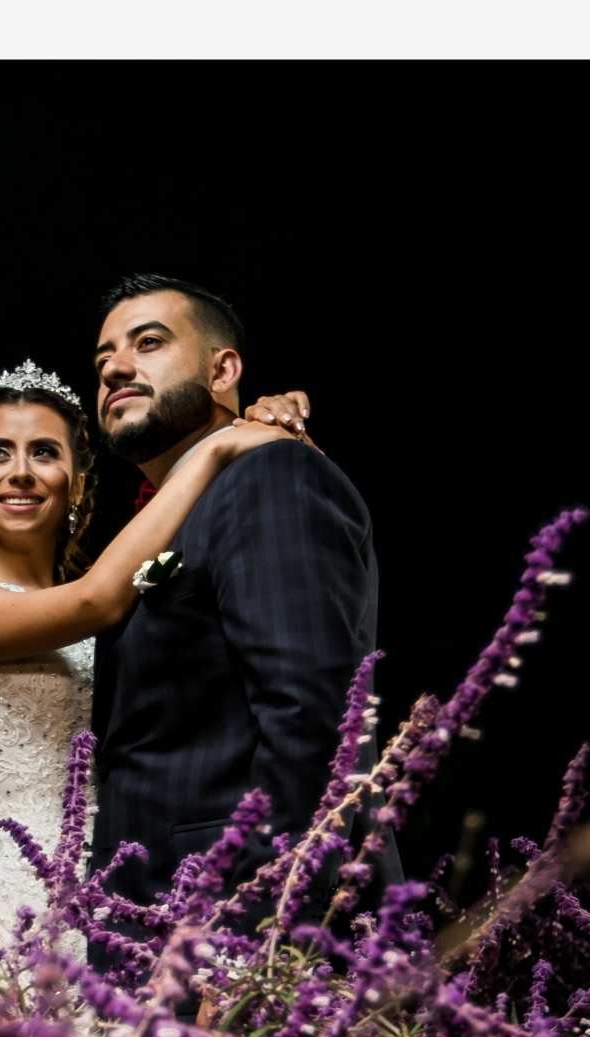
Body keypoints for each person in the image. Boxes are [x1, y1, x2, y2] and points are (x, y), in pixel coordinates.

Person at [0, 359, 310, 949]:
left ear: (75, 482)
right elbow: (94, 600)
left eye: (44, 452)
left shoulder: (116, 593)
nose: (20, 472)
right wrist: (216, 449)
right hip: (17, 885)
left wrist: (257, 426)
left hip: (130, 874)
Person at [85, 274, 402, 930]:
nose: (115, 367)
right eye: (103, 358)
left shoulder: (272, 473)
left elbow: (314, 718)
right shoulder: (156, 525)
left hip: (237, 927)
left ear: (223, 369)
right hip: (144, 919)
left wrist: (252, 921)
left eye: (149, 342)